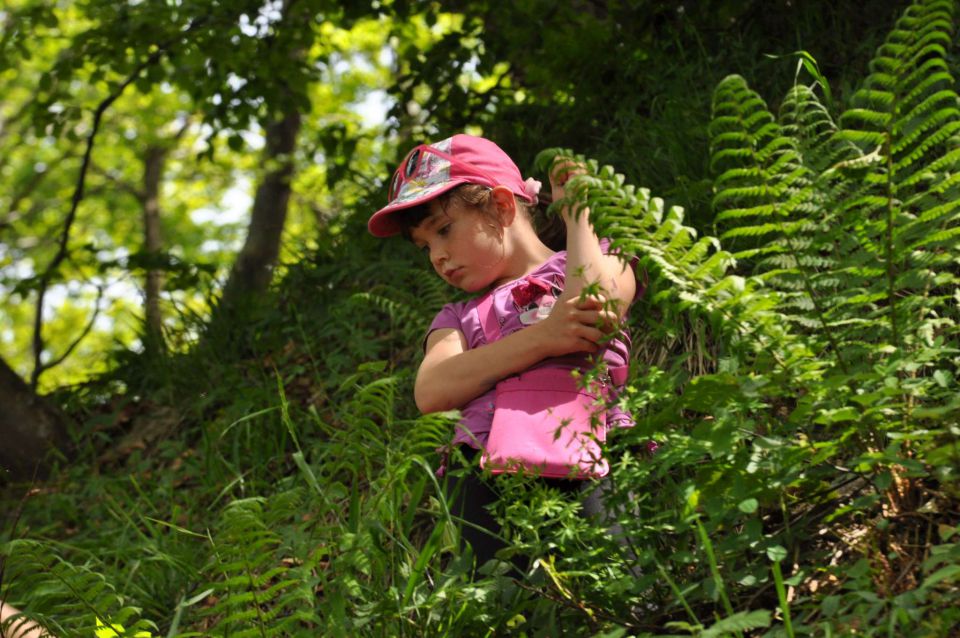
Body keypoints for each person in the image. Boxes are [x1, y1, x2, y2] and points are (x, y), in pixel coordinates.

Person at [368, 134, 638, 567]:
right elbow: (432, 390)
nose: (437, 256)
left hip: (595, 447)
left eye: (443, 230)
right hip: (482, 471)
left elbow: (597, 307)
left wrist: (578, 214)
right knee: (508, 602)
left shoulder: (600, 258)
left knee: (615, 576)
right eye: (425, 246)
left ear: (502, 207)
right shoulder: (457, 316)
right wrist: (544, 337)